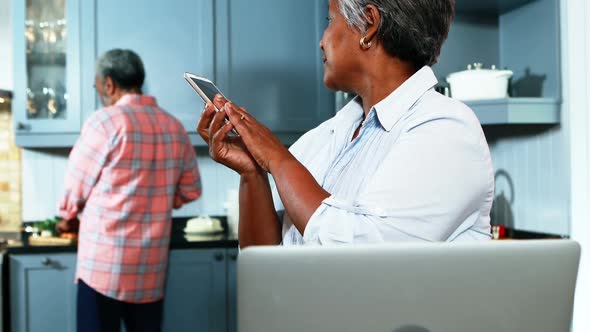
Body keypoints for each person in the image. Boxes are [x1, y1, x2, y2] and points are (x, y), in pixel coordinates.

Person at [198, 0, 494, 248]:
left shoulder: (447, 130)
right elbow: (264, 260)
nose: (321, 39)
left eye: (330, 20)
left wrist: (276, 157)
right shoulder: (327, 136)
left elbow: (359, 257)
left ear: (369, 24)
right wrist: (253, 173)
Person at [57, 49, 202, 332]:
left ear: (108, 84)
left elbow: (74, 189)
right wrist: (154, 198)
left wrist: (67, 216)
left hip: (102, 270)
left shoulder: (105, 122)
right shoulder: (173, 127)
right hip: (150, 271)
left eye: (97, 86)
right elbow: (190, 190)